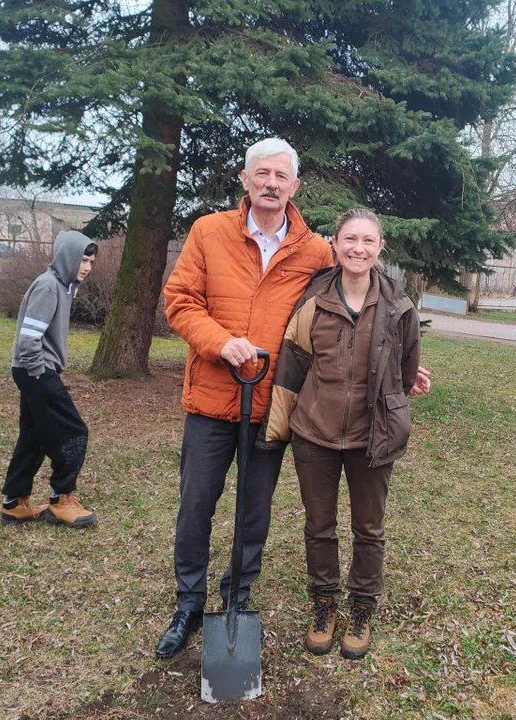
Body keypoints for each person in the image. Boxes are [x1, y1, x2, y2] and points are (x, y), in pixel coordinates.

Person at [154, 137, 433, 658]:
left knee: (254, 513)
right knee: (196, 507)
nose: (271, 184)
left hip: (272, 409)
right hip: (213, 399)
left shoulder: (313, 249)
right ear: (245, 178)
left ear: (294, 186)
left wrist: (397, 368)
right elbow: (179, 301)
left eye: (281, 176)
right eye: (261, 174)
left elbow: (351, 311)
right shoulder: (209, 232)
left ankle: (237, 593)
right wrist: (220, 342)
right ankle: (188, 602)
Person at [259, 208, 420, 660]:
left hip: (374, 439)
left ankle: (363, 607)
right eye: (350, 239)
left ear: (380, 247)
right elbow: (291, 369)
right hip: (315, 434)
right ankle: (324, 603)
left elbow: (404, 373)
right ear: (335, 242)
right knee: (319, 526)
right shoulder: (313, 301)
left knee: (369, 528)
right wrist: (276, 432)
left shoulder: (399, 307)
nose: (358, 249)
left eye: (368, 241)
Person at [0, 231, 98, 528]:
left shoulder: (62, 285)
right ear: (67, 256)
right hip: (36, 370)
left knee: (34, 436)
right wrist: (40, 373)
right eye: (83, 259)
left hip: (32, 370)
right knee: (73, 430)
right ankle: (61, 498)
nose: (87, 267)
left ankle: (14, 503)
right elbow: (29, 340)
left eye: (91, 262)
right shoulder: (49, 287)